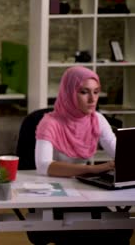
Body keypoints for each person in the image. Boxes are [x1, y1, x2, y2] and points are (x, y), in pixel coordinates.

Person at [34, 66, 132, 244]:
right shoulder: (49, 122)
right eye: (84, 92)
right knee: (79, 233)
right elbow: (43, 166)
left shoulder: (97, 119)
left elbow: (121, 154)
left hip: (84, 193)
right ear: (69, 92)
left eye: (96, 92)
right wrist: (94, 169)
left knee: (121, 229)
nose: (92, 99)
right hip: (55, 196)